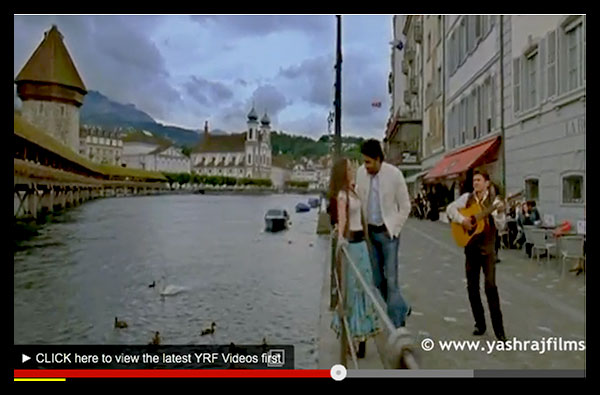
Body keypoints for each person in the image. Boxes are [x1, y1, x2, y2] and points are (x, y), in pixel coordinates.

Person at [355, 139, 412, 328]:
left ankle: (398, 326)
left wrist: (394, 229)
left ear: (378, 159)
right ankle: (401, 307)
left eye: (369, 162)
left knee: (392, 280)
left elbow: (405, 206)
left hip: (388, 234)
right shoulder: (361, 174)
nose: (366, 166)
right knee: (378, 281)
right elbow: (358, 201)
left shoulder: (394, 175)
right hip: (370, 233)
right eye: (364, 162)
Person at [446, 169, 507, 342]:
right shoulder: (467, 199)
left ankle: (499, 331)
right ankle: (480, 323)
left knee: (490, 287)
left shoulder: (494, 202)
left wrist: (501, 212)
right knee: (472, 288)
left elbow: (501, 226)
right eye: (474, 181)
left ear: (487, 183)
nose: (476, 184)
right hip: (471, 249)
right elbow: (450, 209)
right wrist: (462, 220)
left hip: (488, 251)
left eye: (479, 180)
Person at [329, 157, 380, 358]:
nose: (352, 170)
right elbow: (342, 220)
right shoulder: (343, 195)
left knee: (364, 286)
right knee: (352, 290)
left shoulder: (353, 191)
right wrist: (340, 239)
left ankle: (362, 335)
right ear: (344, 172)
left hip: (360, 245)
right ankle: (353, 336)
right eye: (349, 168)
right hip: (351, 244)